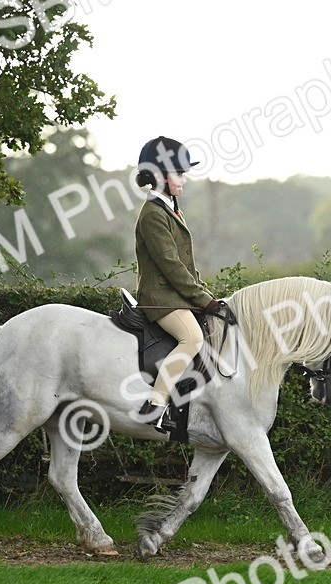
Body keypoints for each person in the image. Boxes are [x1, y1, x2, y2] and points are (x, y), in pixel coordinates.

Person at [132, 135, 226, 433]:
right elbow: (172, 266)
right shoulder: (152, 215)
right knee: (192, 339)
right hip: (160, 298)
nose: (184, 179)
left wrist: (207, 296)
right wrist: (203, 300)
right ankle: (156, 405)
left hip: (176, 296)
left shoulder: (171, 209)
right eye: (180, 173)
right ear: (160, 176)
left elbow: (188, 265)